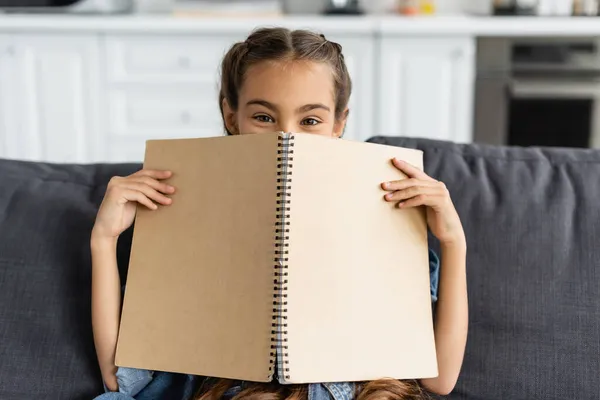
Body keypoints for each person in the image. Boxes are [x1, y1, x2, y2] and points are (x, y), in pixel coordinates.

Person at [91, 27, 468, 400]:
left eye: (310, 121)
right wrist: (104, 241)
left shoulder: (385, 222)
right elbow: (119, 378)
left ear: (339, 123)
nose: (286, 137)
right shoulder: (179, 219)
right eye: (265, 118)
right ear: (231, 114)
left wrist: (453, 241)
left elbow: (440, 380)